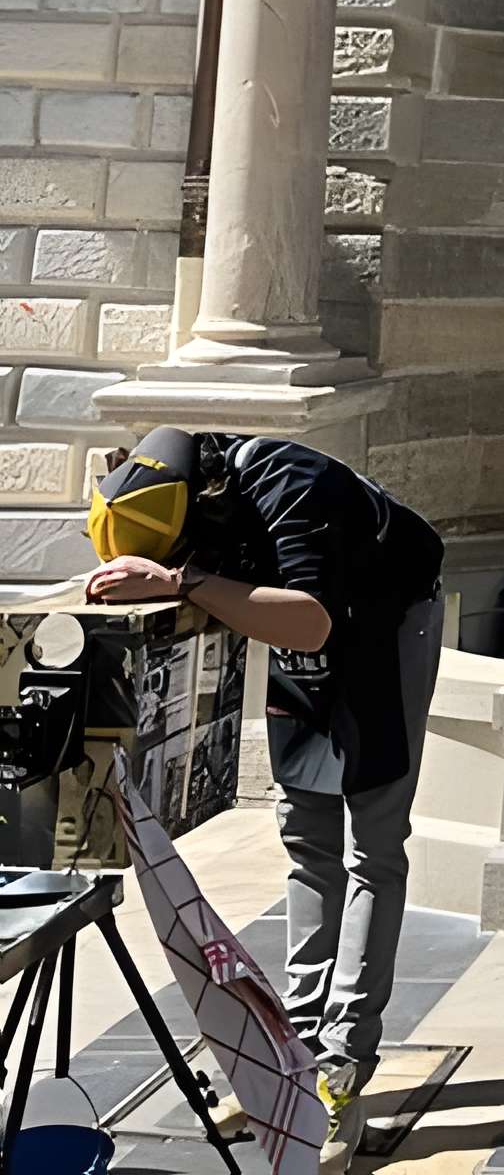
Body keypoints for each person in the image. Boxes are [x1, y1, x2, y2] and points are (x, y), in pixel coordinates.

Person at [86, 428, 444, 1171]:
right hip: (308, 628)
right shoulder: (184, 497)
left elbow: (310, 619)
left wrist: (181, 582)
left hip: (385, 623)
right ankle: (297, 1055)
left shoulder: (289, 482)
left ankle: (343, 1068)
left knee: (372, 846)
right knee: (306, 839)